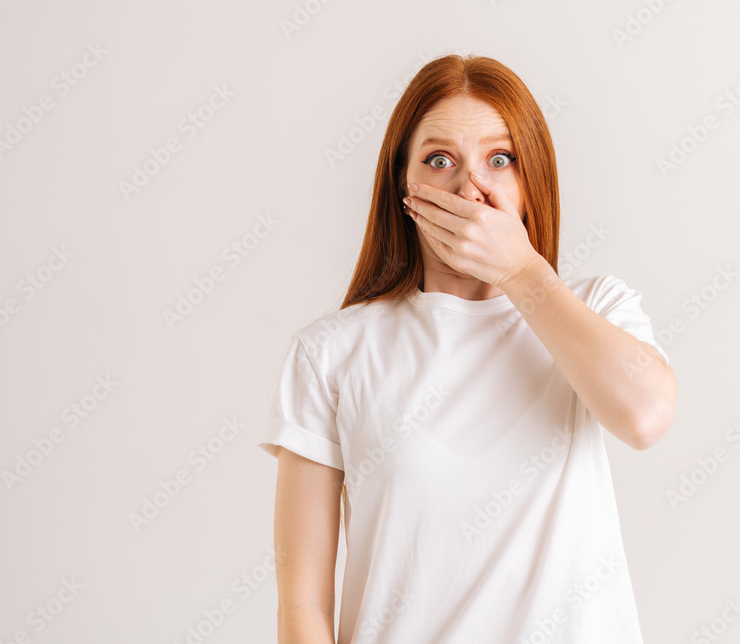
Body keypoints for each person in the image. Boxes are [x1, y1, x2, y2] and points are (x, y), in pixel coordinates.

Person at [259, 53, 677, 644]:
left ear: (531, 183)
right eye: (439, 160)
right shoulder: (331, 355)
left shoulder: (596, 308)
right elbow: (302, 607)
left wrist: (524, 274)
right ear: (403, 187)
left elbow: (645, 416)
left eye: (499, 160)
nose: (469, 187)